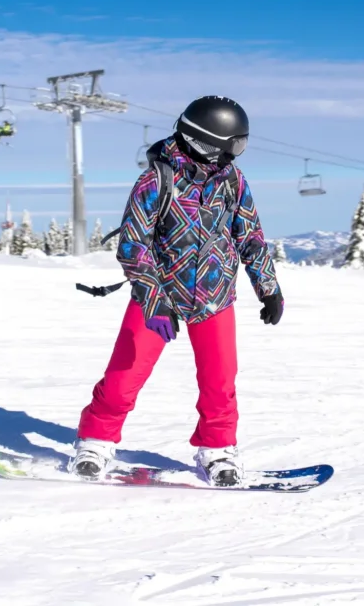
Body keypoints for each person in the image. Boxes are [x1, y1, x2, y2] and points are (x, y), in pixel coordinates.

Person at [69, 95, 282, 487]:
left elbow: (249, 234)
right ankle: (95, 441)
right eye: (232, 146)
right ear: (205, 142)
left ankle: (217, 450)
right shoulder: (157, 180)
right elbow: (132, 245)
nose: (235, 156)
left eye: (240, 146)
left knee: (220, 382)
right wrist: (155, 299)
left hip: (215, 297)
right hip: (160, 297)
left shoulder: (232, 181)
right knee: (123, 377)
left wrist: (268, 288)